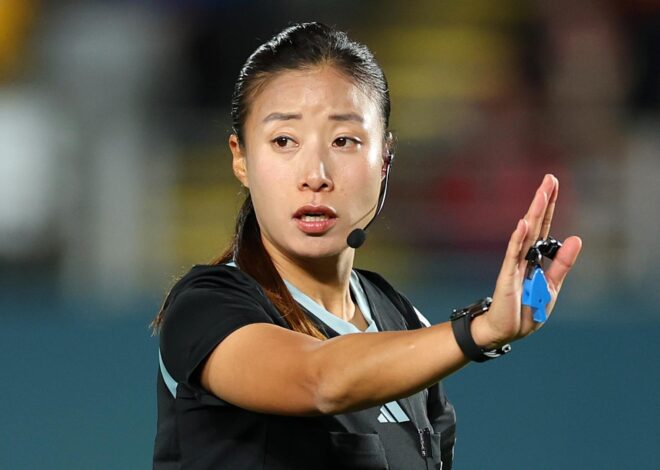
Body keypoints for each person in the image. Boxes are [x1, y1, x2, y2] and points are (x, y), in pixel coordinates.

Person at [151, 22, 582, 470]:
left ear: (385, 160)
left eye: (344, 141)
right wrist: (479, 331)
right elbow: (319, 380)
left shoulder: (403, 323)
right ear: (240, 158)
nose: (315, 174)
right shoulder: (205, 307)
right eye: (284, 141)